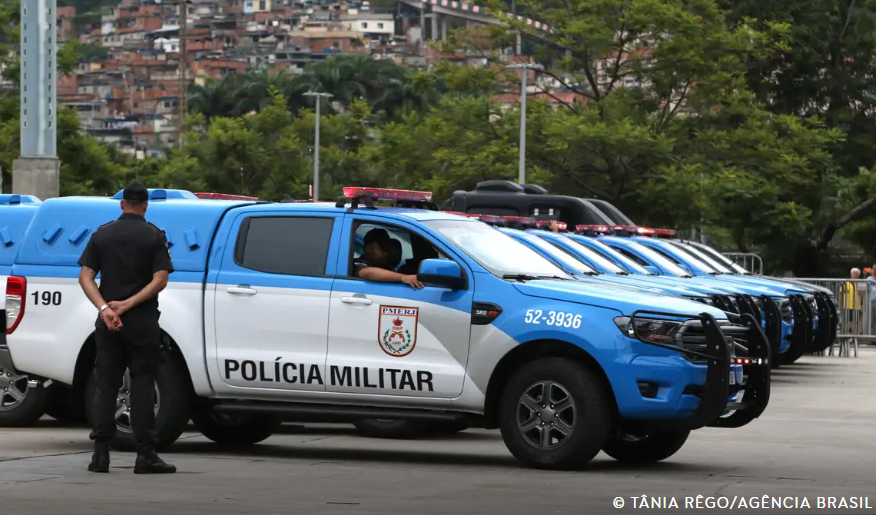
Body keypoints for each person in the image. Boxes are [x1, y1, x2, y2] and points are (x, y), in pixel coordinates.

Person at [77, 183, 176, 475]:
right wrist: (127, 305)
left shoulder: (102, 234)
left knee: (106, 385)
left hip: (107, 323)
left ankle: (100, 455)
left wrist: (105, 308)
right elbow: (160, 280)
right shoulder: (154, 236)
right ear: (145, 205)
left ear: (122, 204)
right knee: (143, 384)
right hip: (142, 323)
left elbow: (85, 276)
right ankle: (145, 455)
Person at [355, 228, 424, 289]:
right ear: (369, 249)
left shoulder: (389, 266)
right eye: (382, 249)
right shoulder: (360, 263)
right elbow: (368, 272)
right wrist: (403, 277)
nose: (387, 253)